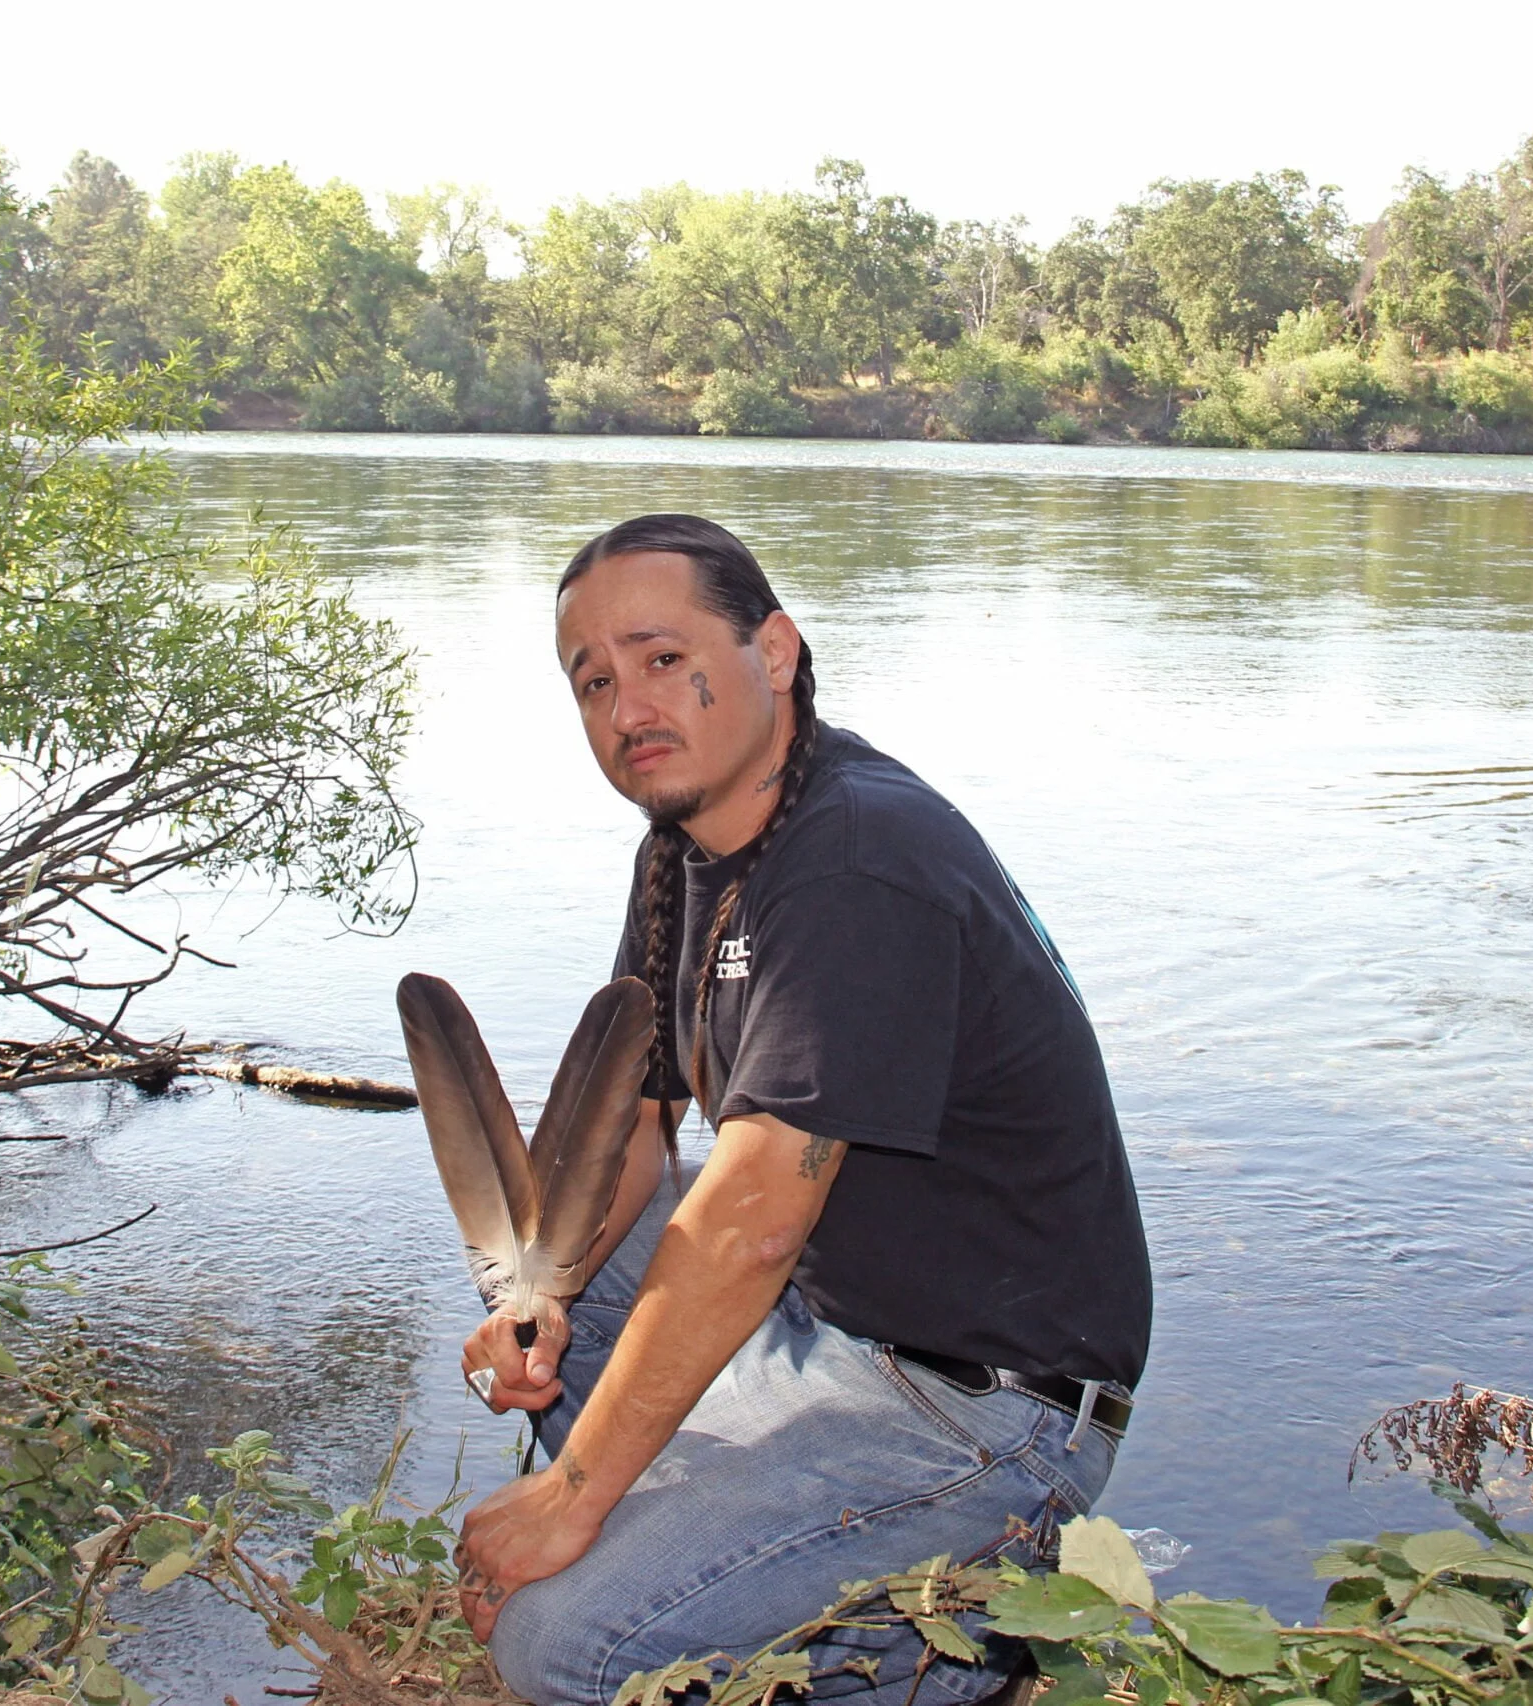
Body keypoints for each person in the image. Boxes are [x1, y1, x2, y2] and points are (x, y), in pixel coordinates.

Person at [451, 514, 1152, 1706]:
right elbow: (632, 1126)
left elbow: (751, 1222)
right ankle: (727, 1549)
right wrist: (537, 1301)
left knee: (560, 1645)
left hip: (981, 1404)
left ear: (773, 650)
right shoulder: (686, 844)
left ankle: (961, 1646)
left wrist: (571, 1497)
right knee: (538, 1250)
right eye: (594, 681)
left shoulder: (855, 857)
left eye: (663, 657)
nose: (629, 707)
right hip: (831, 1324)